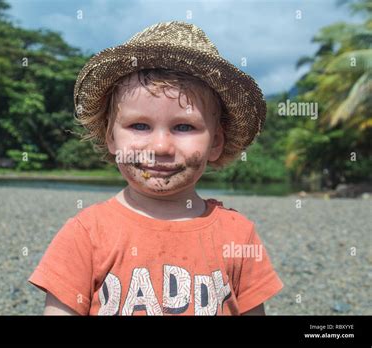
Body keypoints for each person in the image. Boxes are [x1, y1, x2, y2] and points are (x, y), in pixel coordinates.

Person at [28, 21, 283, 315]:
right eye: (139, 125)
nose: (160, 147)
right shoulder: (85, 234)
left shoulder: (238, 235)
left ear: (215, 142)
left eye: (184, 127)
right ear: (111, 137)